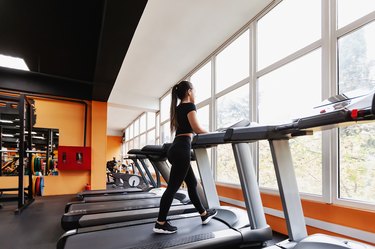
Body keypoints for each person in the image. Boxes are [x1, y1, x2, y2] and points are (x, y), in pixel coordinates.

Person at [153, 80, 217, 234]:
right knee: (172, 188)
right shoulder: (189, 106)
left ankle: (203, 214)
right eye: (193, 91)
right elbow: (196, 128)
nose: (194, 93)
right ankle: (160, 223)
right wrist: (213, 134)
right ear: (189, 91)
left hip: (177, 147)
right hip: (182, 149)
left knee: (192, 183)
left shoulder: (177, 108)